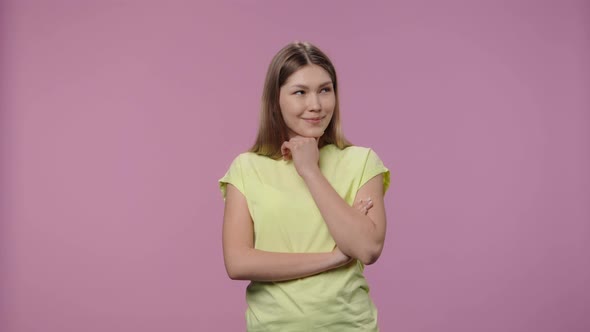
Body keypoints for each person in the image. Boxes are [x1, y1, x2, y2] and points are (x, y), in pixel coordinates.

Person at [218, 41, 391, 331]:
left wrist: (310, 171)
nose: (316, 105)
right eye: (300, 92)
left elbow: (368, 248)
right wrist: (334, 257)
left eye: (325, 90)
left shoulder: (361, 162)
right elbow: (237, 262)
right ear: (276, 100)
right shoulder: (246, 168)